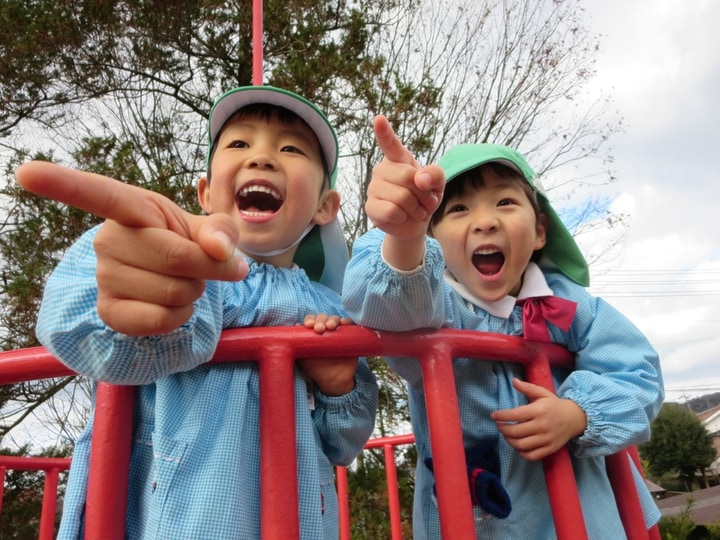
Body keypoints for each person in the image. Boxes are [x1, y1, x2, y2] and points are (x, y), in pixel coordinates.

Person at [16, 86, 378, 539]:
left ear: (326, 206)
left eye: (289, 148)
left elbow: (342, 445)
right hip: (165, 517)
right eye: (240, 144)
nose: (261, 158)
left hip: (295, 518)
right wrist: (128, 288)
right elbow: (83, 329)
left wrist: (340, 385)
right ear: (205, 193)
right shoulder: (180, 264)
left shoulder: (330, 306)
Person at [342, 115, 664, 538]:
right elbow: (386, 311)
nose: (485, 221)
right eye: (457, 209)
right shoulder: (433, 302)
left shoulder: (567, 304)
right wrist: (404, 239)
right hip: (475, 520)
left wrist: (579, 413)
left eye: (505, 203)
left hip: (581, 516)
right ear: (433, 238)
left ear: (540, 231)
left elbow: (639, 373)